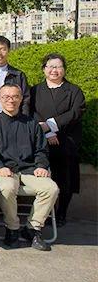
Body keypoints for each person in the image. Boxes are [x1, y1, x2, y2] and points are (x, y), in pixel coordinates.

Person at [0, 84, 58, 251]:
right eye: (6, 97)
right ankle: (12, 228)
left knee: (51, 188)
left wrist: (41, 165)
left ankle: (33, 228)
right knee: (7, 187)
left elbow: (42, 149)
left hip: (29, 169)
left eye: (14, 96)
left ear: (21, 98)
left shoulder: (32, 123)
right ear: (0, 99)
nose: (11, 100)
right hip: (5, 170)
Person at [31, 53, 85, 226]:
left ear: (64, 69)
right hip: (43, 141)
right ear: (44, 69)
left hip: (66, 140)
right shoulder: (35, 90)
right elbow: (30, 112)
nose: (54, 70)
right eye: (50, 66)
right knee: (44, 178)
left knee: (65, 178)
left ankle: (62, 213)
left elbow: (76, 112)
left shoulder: (74, 91)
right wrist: (46, 132)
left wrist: (52, 125)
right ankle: (45, 213)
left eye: (58, 67)